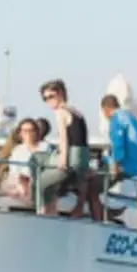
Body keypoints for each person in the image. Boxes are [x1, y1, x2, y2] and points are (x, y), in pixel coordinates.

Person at [37, 78, 99, 218]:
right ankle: (61, 210)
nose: (49, 101)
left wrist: (63, 159)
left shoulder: (61, 111)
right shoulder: (77, 112)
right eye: (45, 98)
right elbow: (83, 138)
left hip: (71, 156)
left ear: (60, 94)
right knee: (57, 185)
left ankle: (43, 214)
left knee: (40, 182)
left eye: (51, 96)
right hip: (82, 158)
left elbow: (63, 137)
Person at [0, 118, 48, 205]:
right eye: (25, 131)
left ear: (37, 132)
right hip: (20, 180)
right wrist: (21, 182)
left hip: (39, 180)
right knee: (12, 185)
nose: (28, 134)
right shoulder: (17, 150)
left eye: (31, 130)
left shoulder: (45, 147)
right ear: (20, 133)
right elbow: (14, 170)